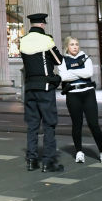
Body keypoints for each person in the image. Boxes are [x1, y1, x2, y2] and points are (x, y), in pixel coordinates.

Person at [20, 13, 65, 172]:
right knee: (49, 124)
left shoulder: (23, 40)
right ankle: (48, 161)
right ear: (43, 24)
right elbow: (58, 60)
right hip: (45, 88)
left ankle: (31, 160)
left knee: (32, 125)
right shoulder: (46, 39)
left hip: (30, 88)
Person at [60, 36, 102, 165]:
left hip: (88, 93)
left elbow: (89, 73)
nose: (75, 46)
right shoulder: (63, 60)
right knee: (77, 124)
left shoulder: (85, 57)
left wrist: (72, 72)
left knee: (94, 124)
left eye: (76, 44)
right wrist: (79, 72)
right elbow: (64, 76)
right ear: (67, 47)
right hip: (72, 95)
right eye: (72, 44)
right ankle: (79, 152)